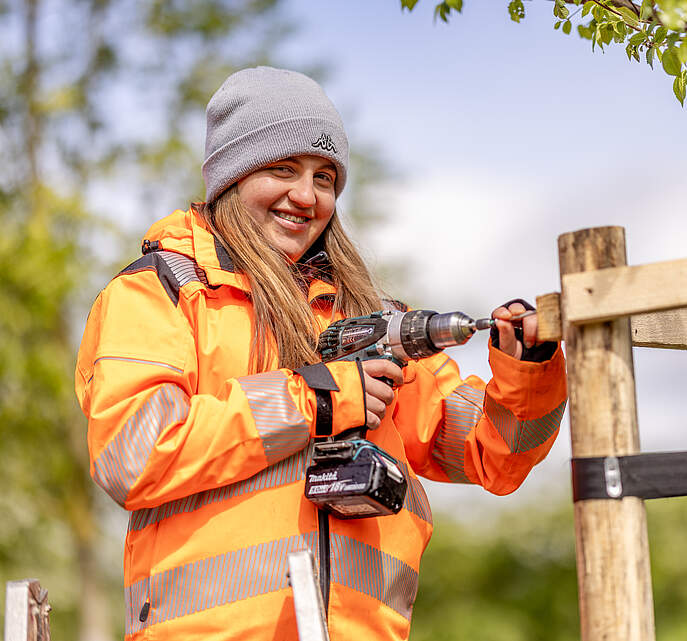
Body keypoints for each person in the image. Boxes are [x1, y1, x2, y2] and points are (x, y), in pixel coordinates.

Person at [75, 66, 567, 641]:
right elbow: (135, 453)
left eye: (325, 177)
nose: (306, 196)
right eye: (283, 169)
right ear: (232, 176)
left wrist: (527, 366)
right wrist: (316, 399)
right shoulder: (159, 292)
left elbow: (494, 457)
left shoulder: (372, 320)